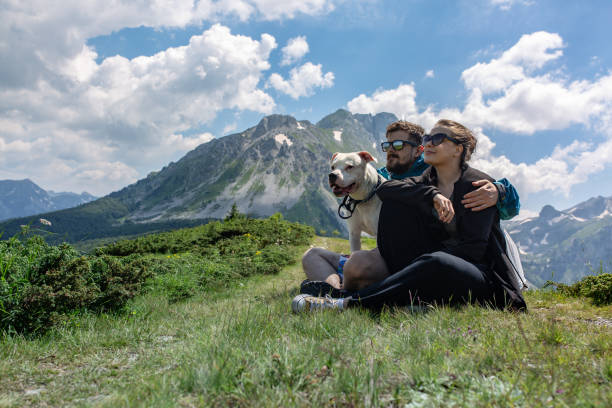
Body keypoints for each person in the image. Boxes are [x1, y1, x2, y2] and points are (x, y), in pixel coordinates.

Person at [293, 119, 526, 312]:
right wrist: (430, 194)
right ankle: (362, 295)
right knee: (319, 254)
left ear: (458, 149)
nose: (391, 149)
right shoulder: (424, 179)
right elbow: (385, 188)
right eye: (428, 139)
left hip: (472, 271)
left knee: (434, 262)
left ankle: (345, 302)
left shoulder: (477, 185)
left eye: (437, 139)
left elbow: (474, 249)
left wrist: (501, 189)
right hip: (415, 259)